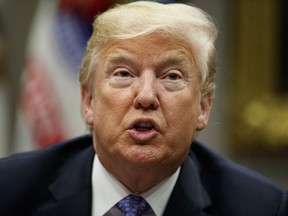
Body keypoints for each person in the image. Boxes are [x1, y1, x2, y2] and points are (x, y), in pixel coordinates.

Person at [0, 1, 287, 216]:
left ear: (203, 106)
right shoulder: (10, 191)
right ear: (88, 101)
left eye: (171, 76)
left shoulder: (261, 208)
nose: (146, 96)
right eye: (124, 74)